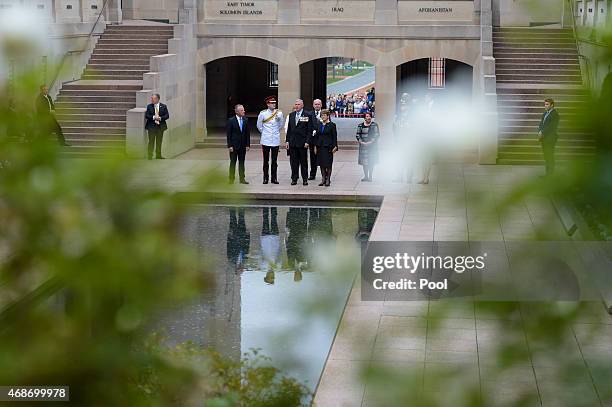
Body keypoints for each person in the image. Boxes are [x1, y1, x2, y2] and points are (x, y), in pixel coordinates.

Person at [285, 99, 314, 186]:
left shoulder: (307, 115)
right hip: (293, 142)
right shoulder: (291, 115)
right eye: (296, 104)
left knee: (303, 162)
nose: (296, 106)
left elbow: (309, 130)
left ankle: (305, 179)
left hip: (302, 143)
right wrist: (287, 141)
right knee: (294, 162)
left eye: (298, 104)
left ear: (302, 105)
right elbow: (289, 130)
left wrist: (307, 142)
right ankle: (294, 178)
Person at [257, 96, 284, 184]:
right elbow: (259, 126)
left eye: (274, 103)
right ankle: (265, 178)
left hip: (275, 139)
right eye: (272, 103)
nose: (274, 104)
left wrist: (275, 132)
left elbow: (281, 125)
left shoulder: (279, 113)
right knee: (266, 160)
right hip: (266, 139)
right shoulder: (263, 113)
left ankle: (274, 178)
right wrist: (265, 133)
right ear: (268, 104)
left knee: (274, 161)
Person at [313, 109, 338, 187]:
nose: (323, 117)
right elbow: (317, 136)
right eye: (322, 115)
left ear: (328, 116)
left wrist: (335, 146)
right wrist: (315, 146)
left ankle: (328, 179)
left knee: (328, 163)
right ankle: (323, 178)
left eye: (324, 115)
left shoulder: (332, 125)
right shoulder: (319, 124)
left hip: (328, 147)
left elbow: (334, 136)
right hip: (320, 146)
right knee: (321, 163)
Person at [226, 104, 250, 184]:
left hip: (243, 146)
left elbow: (247, 134)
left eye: (243, 110)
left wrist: (247, 145)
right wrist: (230, 145)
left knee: (242, 162)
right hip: (234, 146)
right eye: (241, 110)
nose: (244, 111)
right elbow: (229, 134)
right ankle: (231, 179)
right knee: (233, 162)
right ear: (236, 111)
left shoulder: (245, 120)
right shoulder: (231, 120)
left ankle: (242, 179)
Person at [538, 98, 560, 176]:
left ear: (552, 105)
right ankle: (547, 174)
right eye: (545, 104)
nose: (545, 106)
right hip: (544, 138)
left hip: (550, 138)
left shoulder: (555, 114)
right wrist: (539, 131)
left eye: (547, 104)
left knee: (550, 156)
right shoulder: (545, 113)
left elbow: (551, 127)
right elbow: (541, 123)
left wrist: (542, 132)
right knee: (546, 156)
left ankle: (551, 175)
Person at [356, 112, 380, 182]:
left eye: (369, 116)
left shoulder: (374, 125)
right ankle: (366, 176)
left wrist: (370, 142)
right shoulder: (360, 125)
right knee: (364, 162)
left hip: (372, 147)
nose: (368, 117)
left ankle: (370, 176)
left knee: (371, 161)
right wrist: (361, 142)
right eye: (367, 116)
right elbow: (358, 135)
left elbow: (376, 135)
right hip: (363, 146)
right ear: (364, 118)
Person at [145, 93, 169, 160]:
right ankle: (150, 155)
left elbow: (167, 115)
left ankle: (158, 155)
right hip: (151, 127)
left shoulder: (163, 106)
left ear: (158, 99)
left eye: (154, 98)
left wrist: (160, 118)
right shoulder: (149, 106)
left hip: (160, 127)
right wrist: (153, 117)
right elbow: (147, 115)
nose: (152, 100)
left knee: (159, 141)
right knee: (151, 141)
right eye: (152, 98)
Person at [227, 207, 250, 274]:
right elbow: (247, 247)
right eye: (242, 270)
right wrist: (248, 236)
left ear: (236, 269)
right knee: (242, 218)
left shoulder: (231, 259)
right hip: (242, 236)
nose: (242, 269)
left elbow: (228, 247)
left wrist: (229, 236)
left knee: (232, 218)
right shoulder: (245, 259)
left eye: (240, 270)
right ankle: (241, 206)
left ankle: (232, 205)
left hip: (233, 237)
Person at [260, 207, 280, 284]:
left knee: (265, 219)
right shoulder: (278, 266)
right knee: (274, 219)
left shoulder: (263, 266)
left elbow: (260, 253)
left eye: (271, 277)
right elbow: (279, 253)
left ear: (267, 275)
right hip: (275, 238)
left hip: (265, 239)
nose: (272, 275)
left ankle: (265, 206)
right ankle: (273, 207)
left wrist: (261, 242)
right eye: (273, 277)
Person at [309, 99, 323, 180]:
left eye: (318, 104)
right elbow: (308, 127)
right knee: (313, 158)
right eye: (315, 104)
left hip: (322, 140)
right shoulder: (310, 114)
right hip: (313, 140)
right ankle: (312, 174)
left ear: (321, 105)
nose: (317, 105)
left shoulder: (325, 113)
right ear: (313, 105)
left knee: (323, 158)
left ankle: (324, 175)